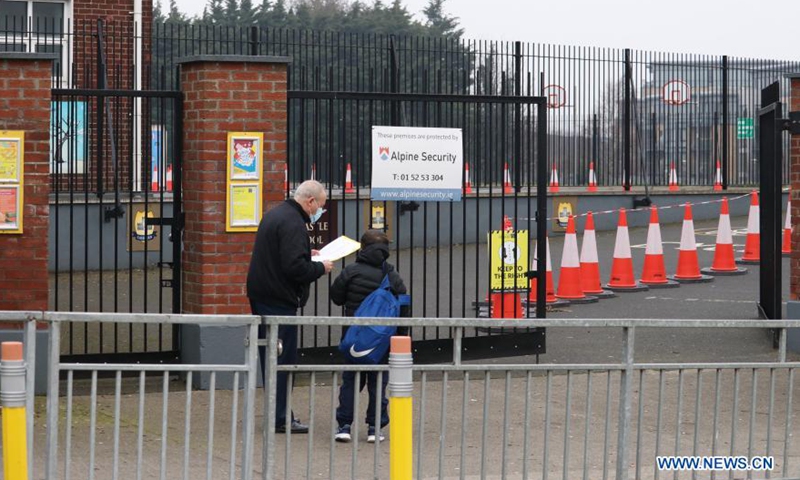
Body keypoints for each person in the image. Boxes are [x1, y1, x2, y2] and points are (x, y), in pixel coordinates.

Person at [247, 180, 334, 434]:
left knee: (271, 356)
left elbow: (284, 255)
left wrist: (308, 254)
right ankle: (280, 418)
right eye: (320, 206)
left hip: (263, 294)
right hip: (278, 299)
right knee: (282, 359)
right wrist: (320, 267)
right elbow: (294, 268)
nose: (320, 211)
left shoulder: (277, 214)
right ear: (310, 201)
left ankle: (278, 413)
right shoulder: (294, 223)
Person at [330, 229, 407, 443]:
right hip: (380, 340)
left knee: (350, 381)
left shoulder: (351, 271)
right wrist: (402, 335)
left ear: (362, 248)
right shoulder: (391, 275)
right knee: (378, 382)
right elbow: (403, 305)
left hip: (353, 336)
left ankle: (344, 426)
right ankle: (375, 428)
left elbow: (336, 297)